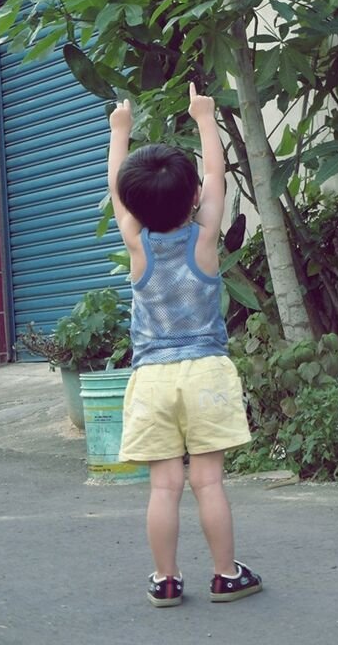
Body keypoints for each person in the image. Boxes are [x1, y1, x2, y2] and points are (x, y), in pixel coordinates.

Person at [108, 82, 262, 608]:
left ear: (133, 205)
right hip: (206, 374)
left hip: (152, 378)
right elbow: (216, 176)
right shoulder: (204, 240)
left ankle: (167, 580)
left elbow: (116, 191)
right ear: (193, 196)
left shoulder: (136, 245)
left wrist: (119, 131)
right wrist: (204, 118)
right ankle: (225, 575)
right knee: (210, 484)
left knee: (163, 489)